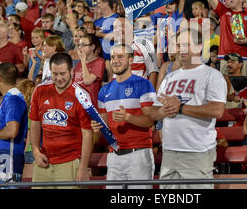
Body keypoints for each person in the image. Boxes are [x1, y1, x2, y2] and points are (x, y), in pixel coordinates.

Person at [150, 27, 227, 189]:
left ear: (199, 47)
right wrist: (161, 112)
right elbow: (155, 111)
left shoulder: (211, 75)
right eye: (178, 45)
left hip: (196, 152)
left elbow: (217, 110)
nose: (181, 49)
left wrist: (181, 108)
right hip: (169, 150)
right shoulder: (169, 77)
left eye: (186, 45)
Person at [92, 44, 156, 189]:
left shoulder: (144, 84)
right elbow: (105, 126)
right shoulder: (104, 91)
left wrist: (128, 117)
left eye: (120, 57)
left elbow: (150, 121)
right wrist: (98, 126)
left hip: (139, 153)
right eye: (113, 57)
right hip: (114, 155)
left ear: (131, 60)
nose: (115, 60)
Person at [30, 53, 93, 189]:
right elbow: (35, 124)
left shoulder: (81, 95)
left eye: (62, 74)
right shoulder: (39, 91)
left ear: (71, 71)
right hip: (44, 162)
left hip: (70, 163)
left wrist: (83, 167)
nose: (59, 78)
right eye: (55, 74)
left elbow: (88, 134)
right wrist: (36, 152)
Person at [0, 63, 28, 184]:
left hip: (7, 160)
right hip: (0, 159)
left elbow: (12, 131)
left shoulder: (13, 98)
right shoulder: (8, 98)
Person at [73, 34, 105, 108]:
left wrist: (83, 60)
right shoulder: (78, 64)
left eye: (83, 45)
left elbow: (87, 81)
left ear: (92, 47)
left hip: (90, 104)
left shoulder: (99, 62)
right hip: (77, 104)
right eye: (79, 45)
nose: (80, 48)